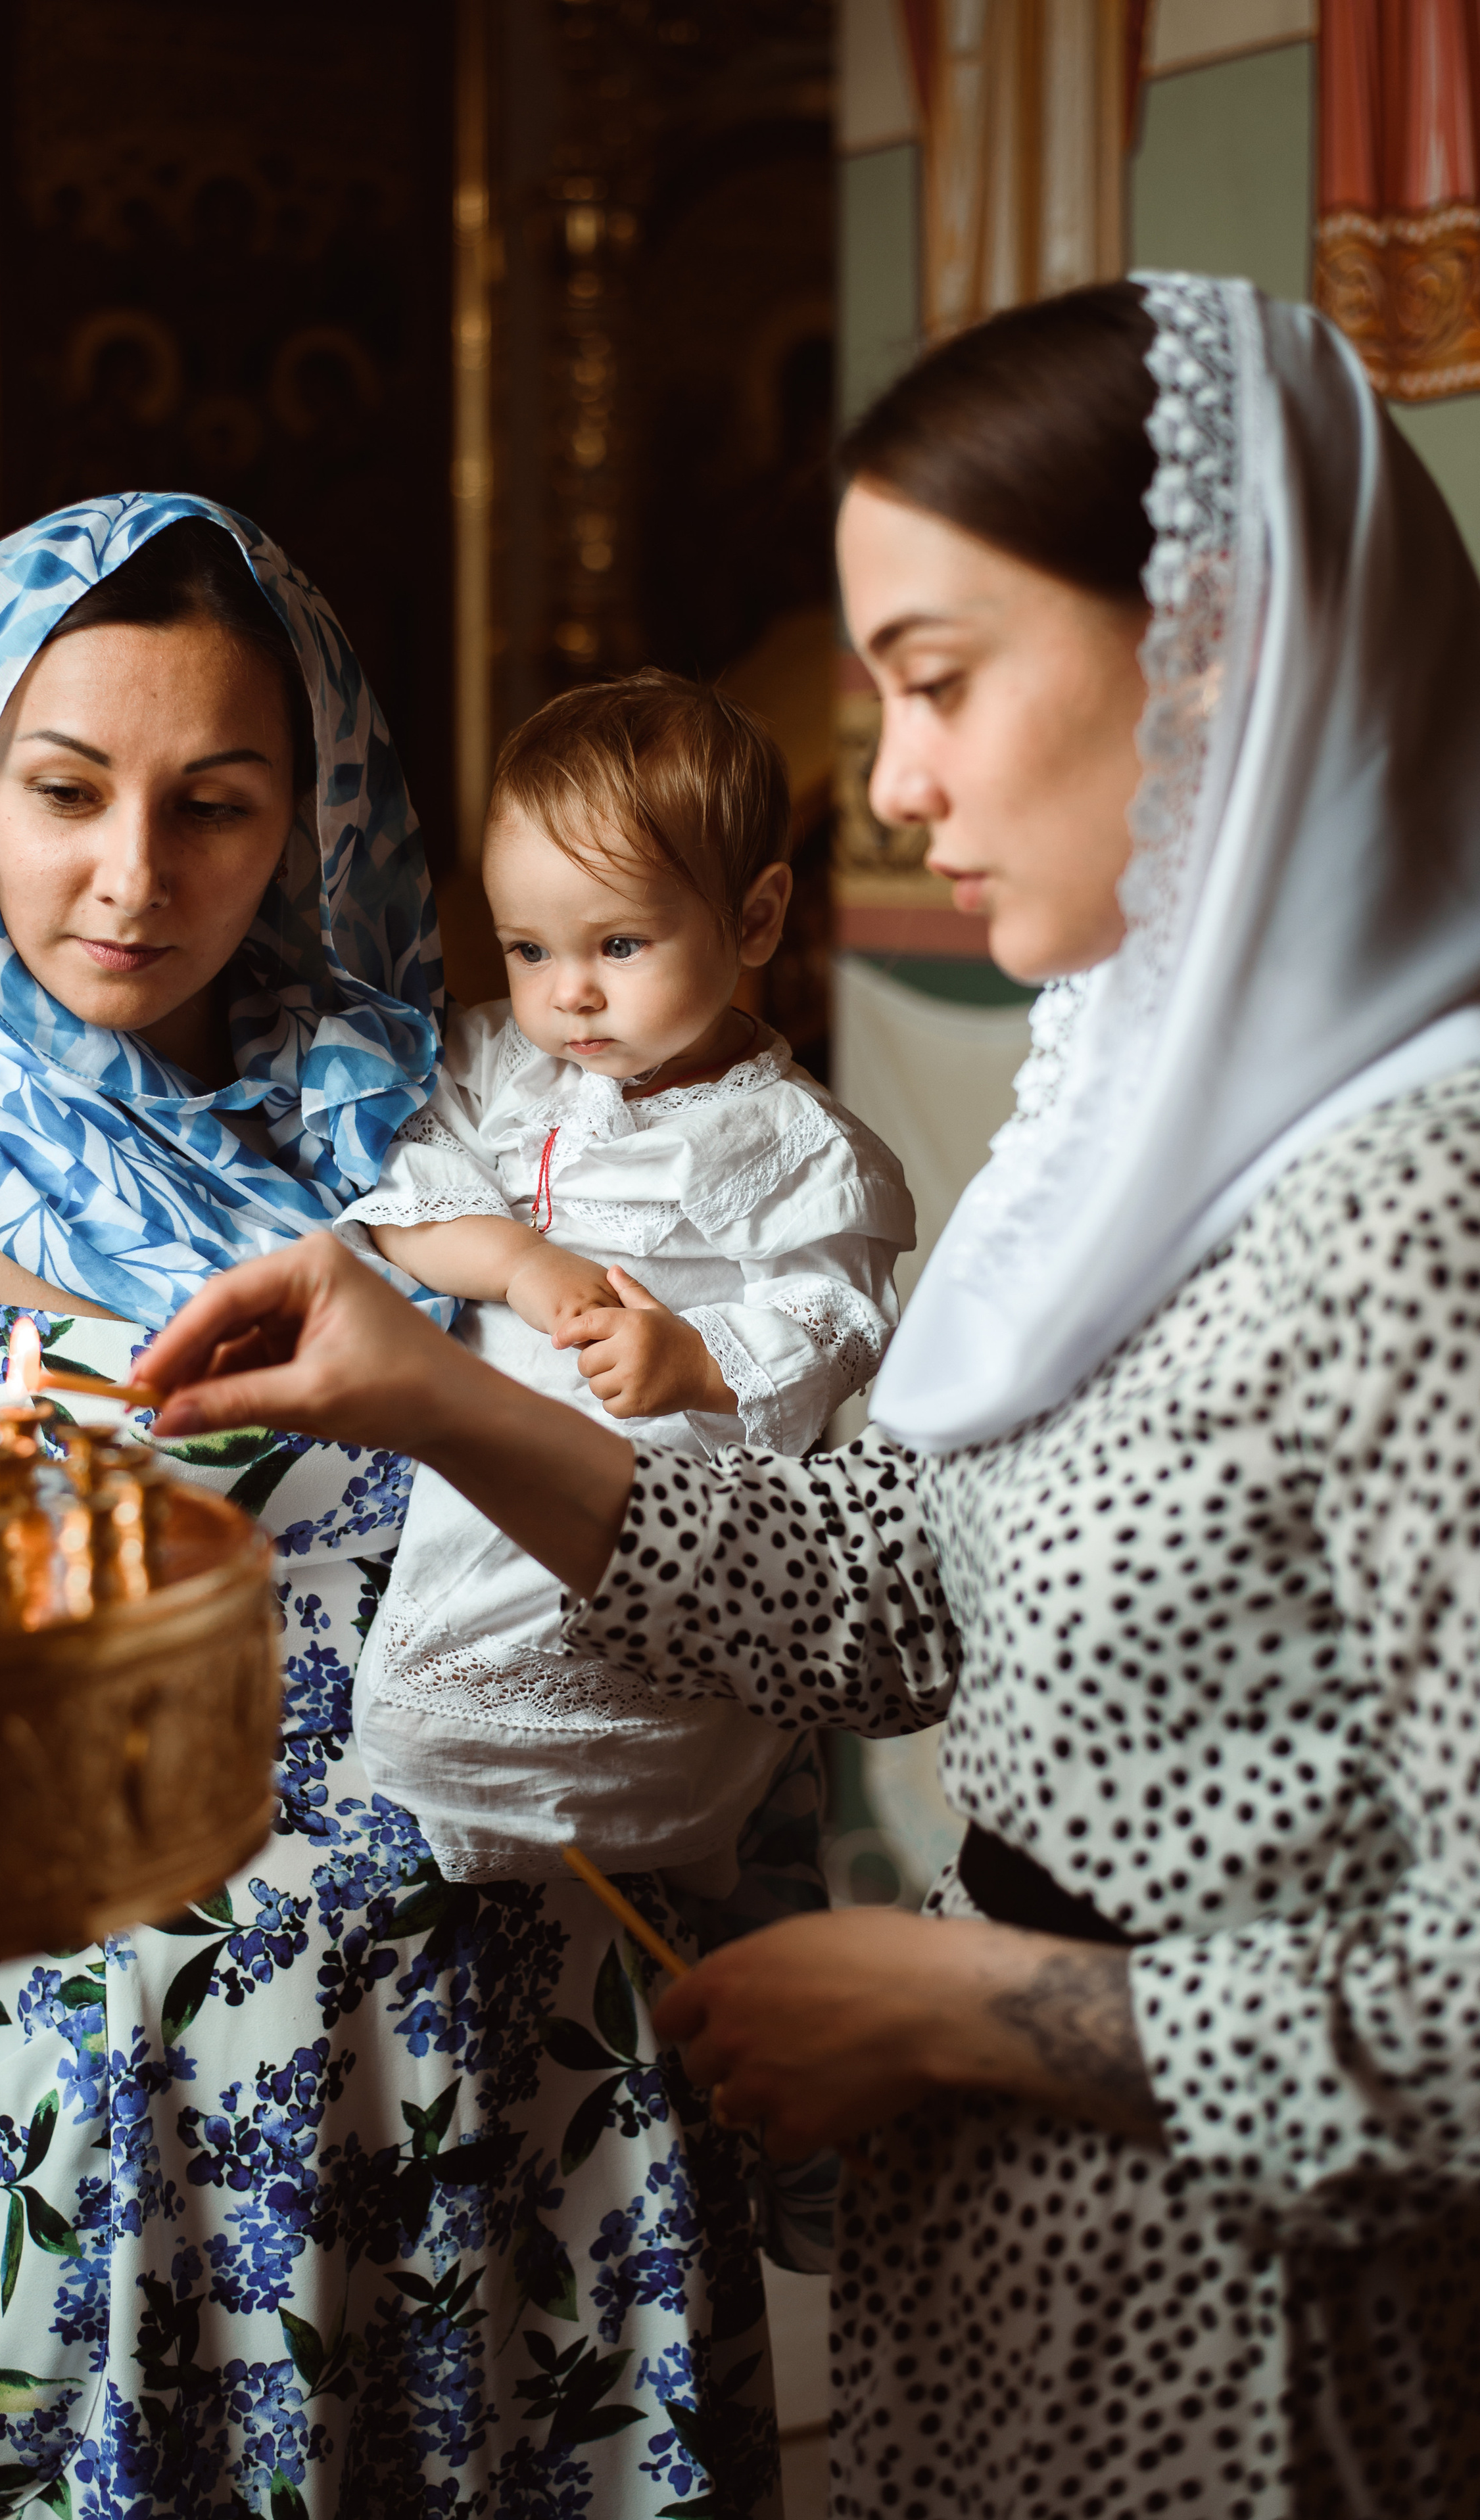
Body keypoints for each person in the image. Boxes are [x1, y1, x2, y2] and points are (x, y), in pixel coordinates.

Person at [143, 274, 1480, 2517]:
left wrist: (961, 2008)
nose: (897, 780)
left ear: (1218, 649)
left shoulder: (1430, 1201)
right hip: (1000, 2293)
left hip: (1257, 2355)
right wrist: (436, 1395)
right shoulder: (1130, 1139)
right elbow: (901, 1590)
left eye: (939, 679)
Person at [0, 497, 800, 2519]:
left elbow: (721, 1469)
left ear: (312, 809)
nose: (133, 875)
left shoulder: (457, 1105)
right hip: (131, 2104)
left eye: (217, 804)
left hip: (546, 2037)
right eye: (65, 790)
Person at [342, 670, 914, 1882]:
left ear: (754, 921)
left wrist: (698, 1358)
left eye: (618, 944)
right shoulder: (500, 1063)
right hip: (488, 1474)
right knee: (427, 1698)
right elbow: (406, 1189)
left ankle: (640, 1829)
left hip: (663, 1490)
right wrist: (518, 1263)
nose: (569, 992)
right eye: (528, 947)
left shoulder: (799, 1144)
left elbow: (835, 1316)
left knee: (625, 1699)